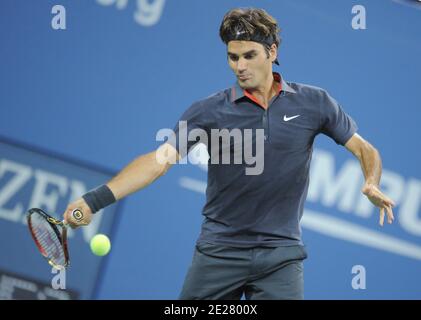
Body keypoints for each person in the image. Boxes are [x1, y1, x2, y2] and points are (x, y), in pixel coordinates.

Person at [63, 8, 395, 300]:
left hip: (281, 255)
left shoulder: (314, 102)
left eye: (249, 55)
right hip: (219, 253)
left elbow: (365, 149)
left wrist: (371, 182)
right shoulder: (207, 112)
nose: (239, 65)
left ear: (272, 52)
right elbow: (158, 162)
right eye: (232, 57)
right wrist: (94, 201)